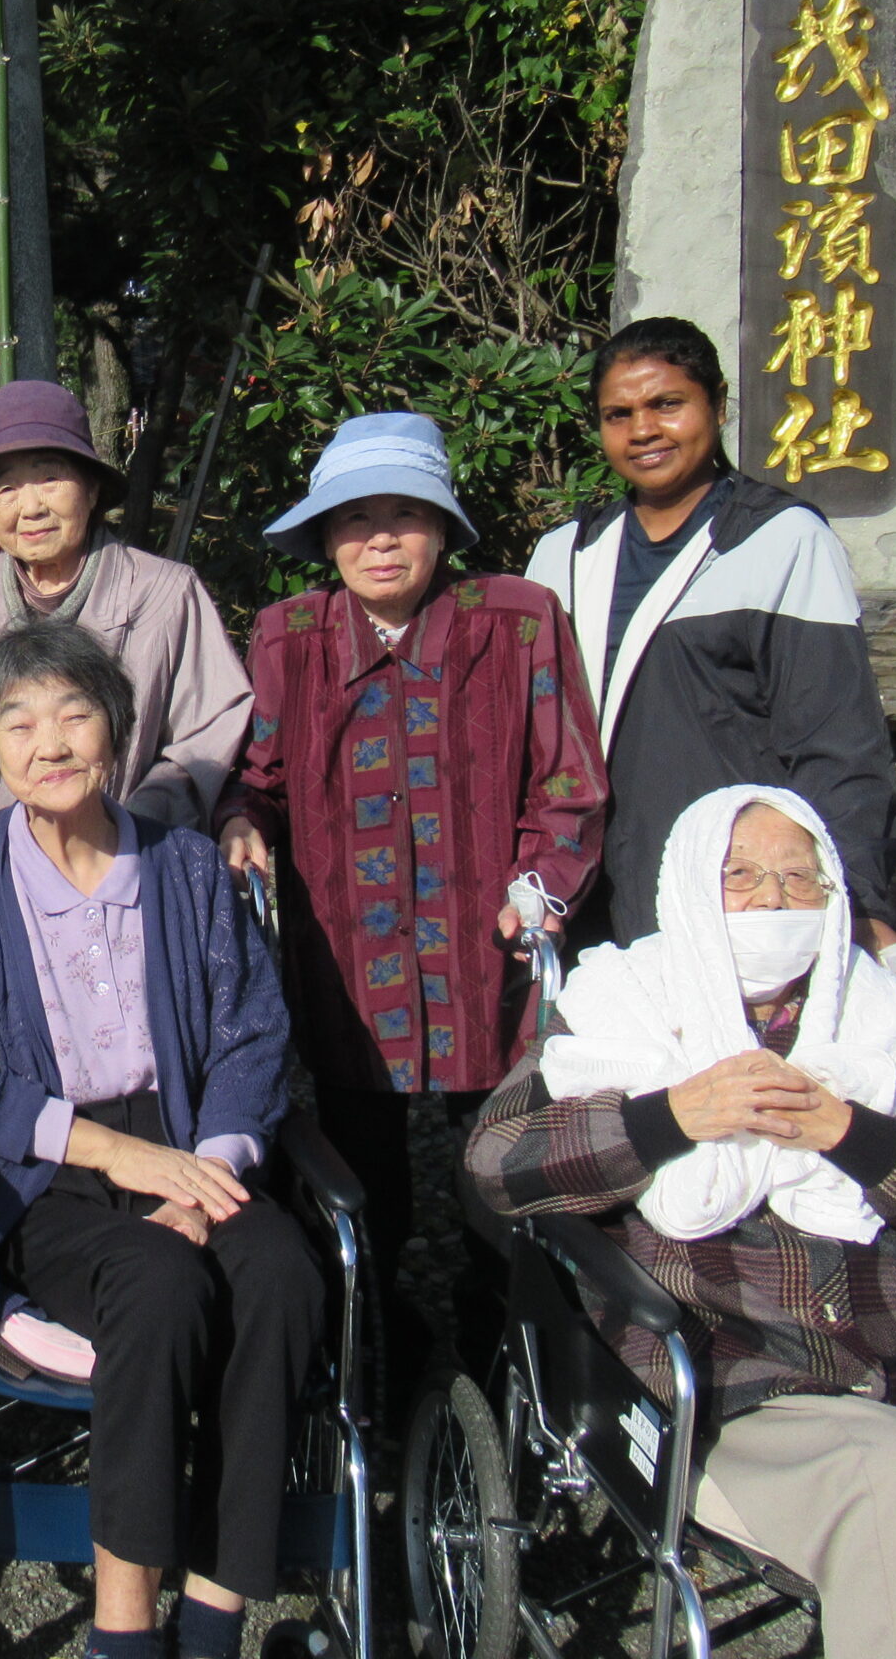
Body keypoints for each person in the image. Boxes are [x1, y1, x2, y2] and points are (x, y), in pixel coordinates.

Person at [466, 784, 896, 1659]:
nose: (773, 900)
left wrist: (855, 1135)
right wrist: (670, 1116)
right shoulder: (624, 1005)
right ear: (689, 887)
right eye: (741, 876)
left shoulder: (891, 1025)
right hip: (731, 1382)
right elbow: (498, 1162)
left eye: (799, 878)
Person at [0, 623, 317, 1659]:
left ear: (116, 732)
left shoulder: (185, 866)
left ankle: (212, 1620)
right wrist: (114, 1156)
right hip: (43, 1176)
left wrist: (206, 1174)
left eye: (74, 715)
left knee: (284, 1275)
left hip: (191, 1146)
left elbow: (254, 1036)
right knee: (158, 1283)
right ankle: (122, 1633)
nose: (50, 743)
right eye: (19, 724)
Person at [215, 412, 608, 1345]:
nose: (381, 539)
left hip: (490, 950)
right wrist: (240, 819)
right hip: (350, 957)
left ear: (442, 529)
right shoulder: (288, 635)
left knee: (498, 1172)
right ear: (325, 538)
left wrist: (541, 887)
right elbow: (258, 775)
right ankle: (376, 1353)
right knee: (364, 1180)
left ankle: (501, 1354)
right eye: (355, 519)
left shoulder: (516, 620)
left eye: (405, 514)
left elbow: (569, 785)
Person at [524, 316, 896, 949]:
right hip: (581, 899)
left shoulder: (779, 540)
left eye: (666, 404)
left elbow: (838, 744)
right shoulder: (565, 554)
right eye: (618, 415)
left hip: (731, 893)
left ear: (718, 405)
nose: (643, 430)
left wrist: (857, 898)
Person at [0, 381, 251, 872]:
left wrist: (138, 825)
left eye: (51, 478)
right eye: (7, 488)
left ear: (91, 488)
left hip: (136, 868)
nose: (31, 507)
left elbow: (207, 737)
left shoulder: (165, 594)